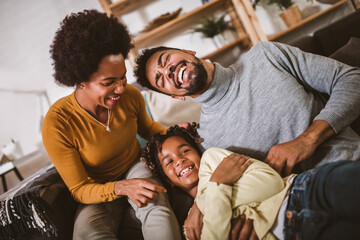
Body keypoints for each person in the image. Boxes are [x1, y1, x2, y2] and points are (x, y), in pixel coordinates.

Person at [42, 10, 181, 240]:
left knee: (156, 207)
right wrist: (121, 188)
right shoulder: (58, 123)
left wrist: (177, 138)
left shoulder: (131, 96)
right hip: (96, 186)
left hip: (136, 165)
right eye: (109, 82)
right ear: (80, 80)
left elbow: (148, 129)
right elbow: (79, 189)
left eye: (123, 77)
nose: (120, 89)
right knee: (88, 233)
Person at [134, 43, 360, 176]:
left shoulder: (265, 55)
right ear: (176, 96)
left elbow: (351, 79)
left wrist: (308, 139)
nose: (169, 71)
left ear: (187, 51)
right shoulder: (208, 140)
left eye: (166, 60)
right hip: (307, 211)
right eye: (161, 79)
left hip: (351, 164)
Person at [141, 125, 360, 240]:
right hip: (293, 234)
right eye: (169, 162)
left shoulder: (213, 161)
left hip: (304, 191)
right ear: (168, 181)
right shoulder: (188, 227)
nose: (180, 161)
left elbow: (269, 183)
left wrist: (216, 193)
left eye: (185, 150)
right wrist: (219, 186)